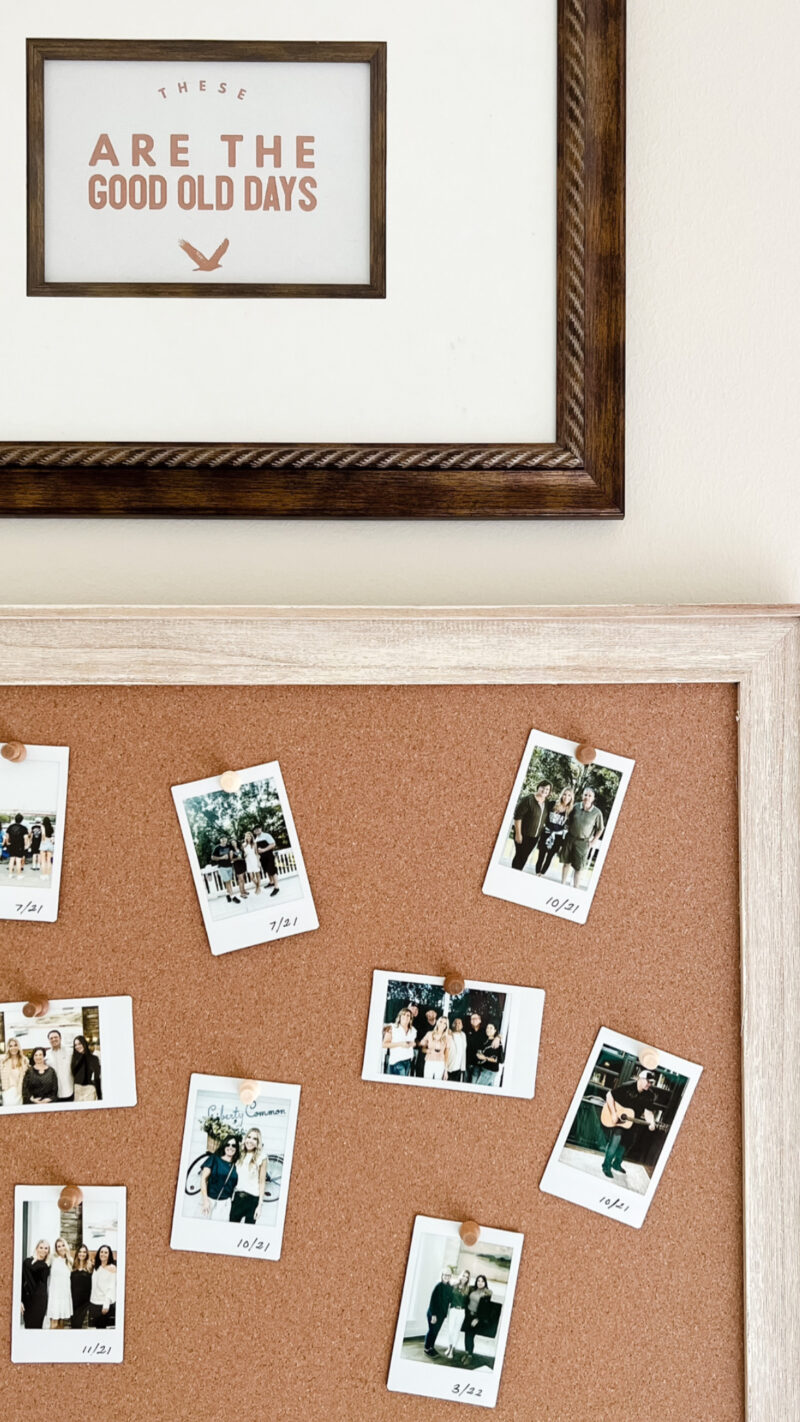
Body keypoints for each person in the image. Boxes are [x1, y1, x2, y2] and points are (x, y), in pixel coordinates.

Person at [602, 1069, 657, 1178]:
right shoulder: (627, 1087)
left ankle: (616, 1164)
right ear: (641, 1079)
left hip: (632, 1122)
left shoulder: (650, 1095)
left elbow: (648, 1112)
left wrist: (652, 1122)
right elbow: (609, 1095)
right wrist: (613, 1113)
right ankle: (606, 1165)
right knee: (615, 1142)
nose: (649, 1084)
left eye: (651, 1082)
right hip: (620, 1119)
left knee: (626, 1144)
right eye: (648, 1081)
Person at [561, 787, 605, 890]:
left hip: (583, 843)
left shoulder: (597, 813)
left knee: (578, 868)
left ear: (593, 798)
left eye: (590, 796)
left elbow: (600, 829)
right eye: (585, 795)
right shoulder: (575, 807)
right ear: (582, 796)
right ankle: (562, 885)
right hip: (570, 838)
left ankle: (575, 888)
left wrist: (593, 841)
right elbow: (568, 820)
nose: (587, 797)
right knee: (566, 863)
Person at [230, 1128, 269, 1224]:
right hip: (238, 1198)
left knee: (248, 1232)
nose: (250, 1141)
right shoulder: (239, 1154)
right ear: (245, 1138)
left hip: (253, 1200)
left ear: (258, 1142)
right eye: (249, 1137)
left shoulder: (262, 1157)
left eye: (254, 1139)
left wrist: (259, 1206)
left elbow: (262, 1182)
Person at [511, 780, 552, 872]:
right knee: (519, 856)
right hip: (523, 834)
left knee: (524, 857)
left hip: (535, 837)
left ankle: (517, 873)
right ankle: (513, 874)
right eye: (543, 787)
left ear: (549, 792)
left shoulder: (547, 803)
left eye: (547, 789)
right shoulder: (528, 800)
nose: (544, 790)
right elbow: (518, 817)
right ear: (538, 787)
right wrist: (518, 834)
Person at [535, 787, 575, 879]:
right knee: (541, 855)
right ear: (562, 795)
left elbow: (570, 825)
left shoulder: (571, 811)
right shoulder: (553, 804)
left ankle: (542, 873)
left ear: (571, 798)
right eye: (565, 794)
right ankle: (537, 873)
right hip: (546, 833)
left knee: (549, 857)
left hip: (558, 837)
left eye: (569, 795)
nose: (566, 797)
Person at [199, 1135, 240, 1220]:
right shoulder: (214, 1159)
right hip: (209, 1200)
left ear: (237, 1148)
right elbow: (203, 1179)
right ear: (224, 1146)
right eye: (227, 1144)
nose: (230, 1147)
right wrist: (205, 1200)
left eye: (234, 1145)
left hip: (224, 1204)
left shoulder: (237, 1165)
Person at [424, 1268, 453, 1356]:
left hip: (441, 1315)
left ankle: (431, 1347)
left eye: (448, 1275)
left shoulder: (450, 1287)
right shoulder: (438, 1286)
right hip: (433, 1313)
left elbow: (450, 1300)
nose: (446, 1277)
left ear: (450, 1277)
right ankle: (427, 1348)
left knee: (436, 1331)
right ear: (442, 1275)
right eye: (445, 1275)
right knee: (432, 1331)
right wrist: (433, 1315)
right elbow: (432, 1301)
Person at [21, 1239, 50, 1328]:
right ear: (36, 1248)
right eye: (41, 1247)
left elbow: (44, 1284)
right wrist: (20, 1300)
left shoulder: (46, 1265)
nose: (43, 1250)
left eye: (46, 1248)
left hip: (40, 1300)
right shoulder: (27, 1262)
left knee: (37, 1327)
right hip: (28, 1299)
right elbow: (22, 1281)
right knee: (28, 1325)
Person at [463, 1275, 492, 1360]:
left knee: (470, 1335)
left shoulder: (487, 1293)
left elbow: (486, 1309)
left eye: (482, 1281)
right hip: (468, 1315)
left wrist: (478, 1319)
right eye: (478, 1281)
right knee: (467, 1335)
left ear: (485, 1283)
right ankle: (467, 1353)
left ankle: (469, 1355)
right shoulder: (472, 1289)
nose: (480, 1283)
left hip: (476, 1317)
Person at [444, 1269, 471, 1358]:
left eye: (467, 1277)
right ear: (461, 1275)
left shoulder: (468, 1289)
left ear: (468, 1279)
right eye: (464, 1275)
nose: (465, 1278)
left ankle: (452, 1350)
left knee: (456, 1331)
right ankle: (449, 1346)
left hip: (461, 1312)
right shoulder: (454, 1285)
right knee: (450, 1330)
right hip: (453, 1310)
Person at [383, 1008, 417, 1076]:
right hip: (396, 1061)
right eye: (403, 1015)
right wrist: (400, 1044)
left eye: (408, 1015)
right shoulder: (392, 1027)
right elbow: (384, 1044)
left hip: (408, 1060)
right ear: (400, 1016)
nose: (406, 1017)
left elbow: (413, 1043)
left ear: (411, 1018)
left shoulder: (413, 1030)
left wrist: (413, 1044)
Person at [47, 1237, 73, 1328]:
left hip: (65, 1294)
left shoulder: (70, 1261)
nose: (61, 1248)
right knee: (54, 1323)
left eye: (63, 1245)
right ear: (56, 1249)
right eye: (59, 1246)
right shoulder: (52, 1259)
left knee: (62, 1323)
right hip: (55, 1295)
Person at [88, 1244, 116, 1327]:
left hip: (104, 1304)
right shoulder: (97, 1267)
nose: (103, 1254)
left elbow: (111, 1288)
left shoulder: (112, 1268)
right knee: (97, 1328)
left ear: (109, 1255)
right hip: (94, 1302)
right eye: (101, 1252)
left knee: (101, 1328)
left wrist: (106, 1304)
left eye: (106, 1252)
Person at [45, 1029, 74, 1102]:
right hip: (54, 1092)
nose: (53, 1039)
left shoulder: (70, 1051)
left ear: (60, 1038)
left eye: (56, 1037)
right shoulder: (47, 1054)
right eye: (51, 1038)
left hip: (69, 1089)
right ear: (49, 1040)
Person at [71, 1035, 102, 1102]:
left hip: (89, 1089)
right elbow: (73, 1074)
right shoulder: (73, 1059)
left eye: (79, 1043)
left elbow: (97, 1077)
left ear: (84, 1043)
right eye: (75, 1045)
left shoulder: (94, 1058)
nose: (77, 1046)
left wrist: (100, 1096)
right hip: (77, 1089)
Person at [421, 1016, 452, 1081]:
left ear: (446, 1026)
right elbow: (422, 1049)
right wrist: (427, 1050)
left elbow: (446, 1055)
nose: (442, 1024)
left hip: (440, 1064)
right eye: (441, 1022)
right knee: (426, 1083)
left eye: (445, 1023)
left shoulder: (448, 1038)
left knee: (437, 1085)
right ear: (437, 1022)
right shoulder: (429, 1034)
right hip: (429, 1062)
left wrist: (446, 1071)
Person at [211, 836, 239, 904]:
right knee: (227, 881)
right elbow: (212, 857)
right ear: (220, 840)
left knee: (228, 881)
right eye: (222, 839)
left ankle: (227, 894)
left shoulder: (229, 846)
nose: (224, 840)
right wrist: (221, 858)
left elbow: (235, 851)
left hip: (229, 866)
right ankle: (233, 896)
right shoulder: (217, 848)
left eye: (225, 839)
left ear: (226, 839)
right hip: (222, 867)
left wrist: (235, 855)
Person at [70, 1243, 93, 1329]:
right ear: (77, 1253)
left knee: (81, 1326)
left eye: (84, 1252)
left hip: (85, 1303)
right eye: (80, 1252)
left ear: (87, 1254)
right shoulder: (72, 1267)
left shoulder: (90, 1267)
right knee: (74, 1326)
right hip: (73, 1301)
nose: (82, 1254)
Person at [254, 825, 280, 897]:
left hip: (269, 855)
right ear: (254, 832)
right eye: (255, 829)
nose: (257, 830)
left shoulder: (266, 835)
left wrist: (263, 850)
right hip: (262, 857)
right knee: (267, 870)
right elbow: (256, 850)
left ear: (261, 828)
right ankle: (271, 882)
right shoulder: (256, 839)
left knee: (272, 870)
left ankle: (276, 887)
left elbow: (273, 844)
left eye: (258, 828)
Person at [1, 1036, 27, 1106]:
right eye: (11, 1046)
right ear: (8, 1048)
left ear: (18, 1047)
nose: (13, 1048)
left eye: (15, 1045)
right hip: (6, 1091)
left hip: (19, 1093)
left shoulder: (24, 1060)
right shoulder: (3, 1061)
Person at [415, 1009, 439, 1078]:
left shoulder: (439, 1026)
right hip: (423, 1054)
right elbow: (416, 1039)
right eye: (428, 1014)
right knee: (420, 1073)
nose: (429, 1015)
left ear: (435, 1015)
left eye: (431, 1013)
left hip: (435, 1055)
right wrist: (420, 1043)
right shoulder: (422, 1026)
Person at [4, 812, 29, 877]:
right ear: (22, 820)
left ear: (15, 819)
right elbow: (25, 838)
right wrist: (26, 845)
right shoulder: (24, 828)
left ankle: (10, 874)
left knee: (11, 859)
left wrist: (7, 842)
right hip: (20, 846)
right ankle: (19, 875)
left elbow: (7, 836)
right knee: (18, 860)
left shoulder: (10, 827)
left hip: (11, 845)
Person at [446, 1018, 468, 1082]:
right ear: (452, 1025)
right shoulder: (448, 1034)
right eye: (455, 1023)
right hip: (449, 1067)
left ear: (462, 1026)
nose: (457, 1025)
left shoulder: (463, 1035)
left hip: (458, 1068)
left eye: (459, 1023)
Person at [465, 1012, 484, 1083]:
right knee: (465, 1084)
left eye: (475, 1018)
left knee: (474, 1084)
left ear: (480, 1020)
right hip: (467, 1062)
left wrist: (498, 1037)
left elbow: (495, 1034)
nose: (473, 1020)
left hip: (477, 1064)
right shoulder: (467, 1031)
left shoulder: (484, 1031)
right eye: (472, 1019)